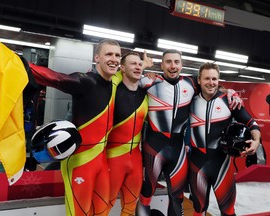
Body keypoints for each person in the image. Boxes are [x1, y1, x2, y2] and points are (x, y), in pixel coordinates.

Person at [136, 49, 242, 216]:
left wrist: (231, 92)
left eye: (176, 62)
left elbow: (212, 85)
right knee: (147, 192)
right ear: (161, 65)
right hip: (153, 147)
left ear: (182, 64)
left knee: (177, 197)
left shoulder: (191, 82)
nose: (172, 66)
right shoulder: (149, 82)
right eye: (168, 62)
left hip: (177, 151)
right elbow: (126, 79)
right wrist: (142, 68)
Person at [29, 39, 121, 216]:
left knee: (102, 211)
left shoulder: (114, 81)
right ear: (97, 58)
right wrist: (20, 63)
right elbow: (56, 78)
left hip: (101, 161)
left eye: (117, 55)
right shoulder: (87, 81)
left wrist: (145, 66)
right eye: (108, 54)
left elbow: (130, 69)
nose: (114, 59)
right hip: (80, 161)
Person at [188, 62, 261, 216]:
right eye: (207, 78)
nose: (211, 82)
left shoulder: (229, 101)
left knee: (228, 211)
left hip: (222, 165)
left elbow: (252, 124)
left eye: (214, 79)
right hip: (197, 164)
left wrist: (255, 141)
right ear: (199, 80)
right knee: (197, 210)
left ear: (218, 80)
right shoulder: (189, 100)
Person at [106, 52, 161, 215]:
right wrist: (144, 65)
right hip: (112, 158)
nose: (138, 67)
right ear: (121, 68)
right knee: (103, 206)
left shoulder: (147, 94)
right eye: (133, 64)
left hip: (136, 160)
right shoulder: (113, 90)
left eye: (139, 64)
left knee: (130, 207)